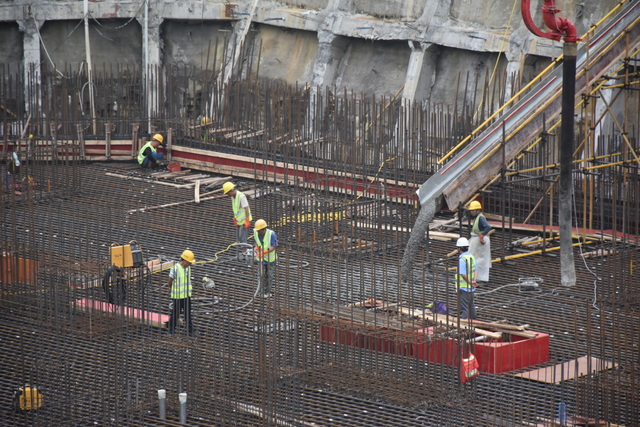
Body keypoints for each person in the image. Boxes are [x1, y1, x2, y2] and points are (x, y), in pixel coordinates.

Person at [167, 249, 195, 336]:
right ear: (185, 261)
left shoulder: (188, 268)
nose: (191, 263)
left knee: (188, 314)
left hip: (186, 295)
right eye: (189, 262)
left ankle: (190, 331)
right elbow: (170, 281)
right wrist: (173, 288)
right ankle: (171, 331)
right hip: (177, 296)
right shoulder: (175, 268)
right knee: (175, 314)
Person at [223, 182, 252, 254]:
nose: (228, 195)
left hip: (244, 220)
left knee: (243, 236)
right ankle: (243, 251)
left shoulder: (241, 196)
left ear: (231, 190)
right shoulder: (233, 197)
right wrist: (235, 218)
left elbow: (246, 208)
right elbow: (236, 208)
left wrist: (247, 220)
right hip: (239, 220)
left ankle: (244, 252)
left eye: (228, 193)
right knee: (239, 236)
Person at [467, 200, 491, 282]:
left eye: (473, 210)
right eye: (471, 211)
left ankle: (480, 278)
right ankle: (475, 277)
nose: (471, 212)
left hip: (480, 241)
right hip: (476, 240)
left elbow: (488, 227)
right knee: (474, 258)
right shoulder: (477, 218)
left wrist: (481, 236)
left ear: (478, 210)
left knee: (480, 260)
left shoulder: (480, 218)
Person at [253, 219, 278, 298]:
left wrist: (264, 252)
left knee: (269, 276)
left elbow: (274, 246)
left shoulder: (271, 234)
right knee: (261, 275)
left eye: (259, 231)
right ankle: (261, 291)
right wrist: (256, 247)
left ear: (263, 230)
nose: (257, 232)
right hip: (261, 259)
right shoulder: (256, 232)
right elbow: (257, 241)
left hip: (270, 260)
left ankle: (267, 292)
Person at [455, 237, 477, 320]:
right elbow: (476, 270)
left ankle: (465, 325)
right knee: (471, 306)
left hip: (463, 287)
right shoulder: (471, 257)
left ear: (459, 248)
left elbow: (463, 275)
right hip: (471, 288)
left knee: (464, 308)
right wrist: (474, 281)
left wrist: (469, 282)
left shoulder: (462, 259)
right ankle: (475, 322)